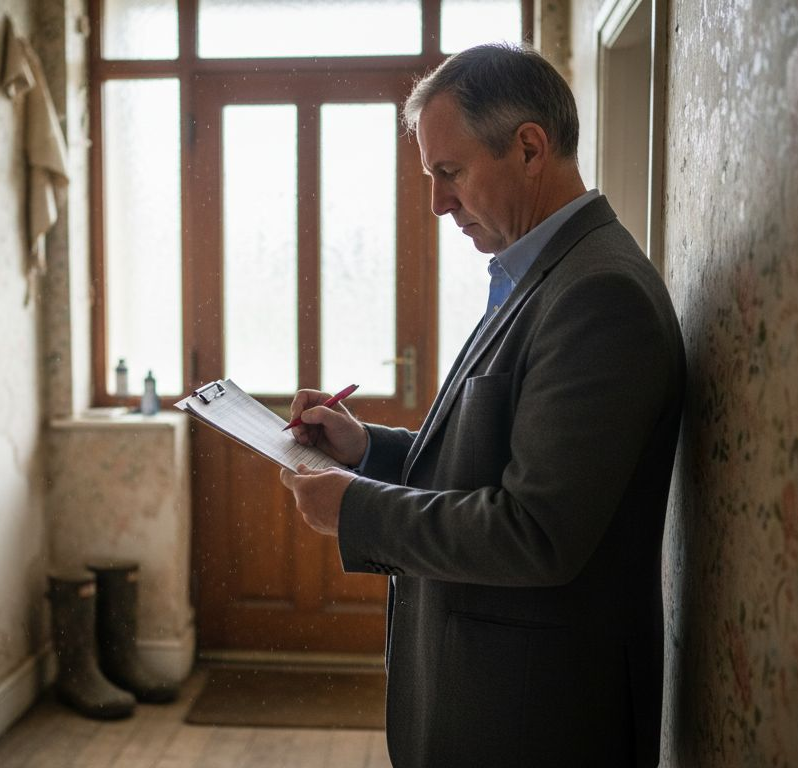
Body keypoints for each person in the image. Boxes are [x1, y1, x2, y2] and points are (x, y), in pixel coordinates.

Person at [278, 43, 685, 767]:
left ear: (530, 147)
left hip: (536, 719)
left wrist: (356, 508)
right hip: (493, 700)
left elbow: (535, 531)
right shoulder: (540, 273)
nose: (436, 202)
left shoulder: (600, 295)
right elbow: (486, 462)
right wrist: (365, 449)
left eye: (449, 172)